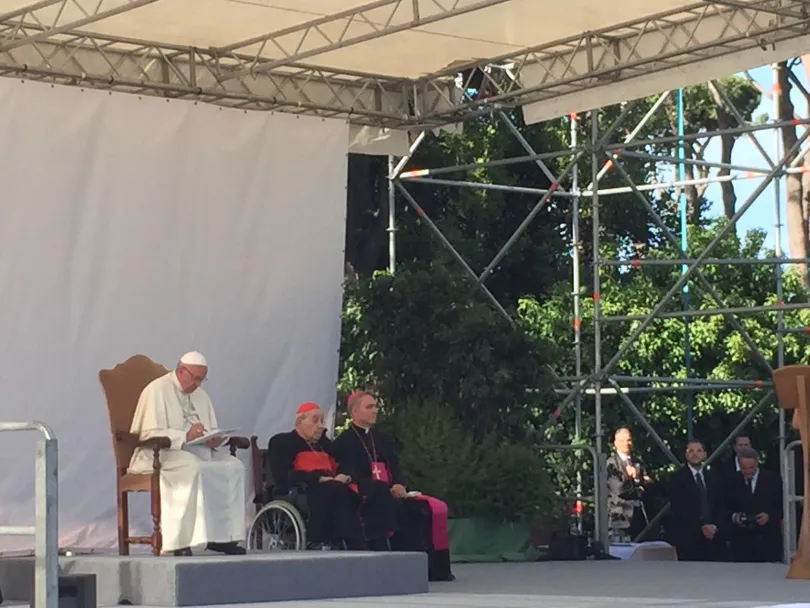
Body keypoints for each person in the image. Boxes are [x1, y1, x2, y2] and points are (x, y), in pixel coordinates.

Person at [128, 351, 246, 556]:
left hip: (197, 451)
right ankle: (179, 541)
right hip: (160, 453)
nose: (198, 384)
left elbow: (208, 428)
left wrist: (213, 439)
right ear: (181, 370)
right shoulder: (156, 390)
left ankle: (222, 538)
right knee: (192, 467)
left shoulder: (200, 394)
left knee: (233, 466)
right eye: (195, 378)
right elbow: (148, 434)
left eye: (202, 379)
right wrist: (184, 436)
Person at [331, 391, 454, 581]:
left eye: (375, 407)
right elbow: (349, 471)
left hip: (389, 492)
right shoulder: (343, 441)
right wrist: (379, 487)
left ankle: (430, 568)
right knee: (381, 495)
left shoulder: (382, 439)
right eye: (369, 407)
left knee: (419, 509)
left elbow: (395, 466)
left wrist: (399, 484)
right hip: (365, 494)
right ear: (354, 412)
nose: (375, 411)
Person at [267, 402, 365, 550]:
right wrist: (319, 478)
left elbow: (345, 461)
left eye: (322, 420)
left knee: (358, 489)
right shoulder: (281, 442)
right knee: (335, 490)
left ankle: (355, 540)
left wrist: (345, 475)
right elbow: (284, 475)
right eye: (315, 420)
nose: (320, 425)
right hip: (300, 490)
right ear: (300, 422)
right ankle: (339, 541)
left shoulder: (324, 444)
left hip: (332, 487)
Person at [668, 439, 726, 561]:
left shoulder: (714, 477)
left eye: (699, 451)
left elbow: (721, 504)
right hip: (689, 538)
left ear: (705, 454)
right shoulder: (677, 478)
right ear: (686, 455)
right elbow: (678, 508)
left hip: (713, 539)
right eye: (691, 451)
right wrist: (701, 527)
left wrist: (714, 526)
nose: (695, 454)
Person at [725, 447, 783, 562]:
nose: (748, 471)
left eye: (751, 467)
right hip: (741, 543)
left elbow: (782, 505)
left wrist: (769, 516)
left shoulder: (773, 478)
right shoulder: (731, 480)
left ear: (757, 463)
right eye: (744, 468)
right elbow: (724, 506)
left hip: (768, 541)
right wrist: (735, 517)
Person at [606, 427, 652, 542]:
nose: (626, 443)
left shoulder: (638, 462)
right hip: (620, 517)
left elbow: (651, 486)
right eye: (622, 440)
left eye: (628, 440)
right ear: (615, 443)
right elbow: (619, 489)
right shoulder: (611, 464)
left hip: (639, 517)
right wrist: (637, 485)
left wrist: (637, 478)